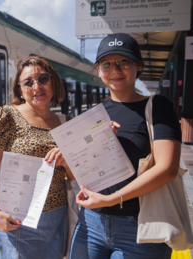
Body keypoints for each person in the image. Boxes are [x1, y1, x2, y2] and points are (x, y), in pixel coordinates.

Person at [69, 33, 182, 259]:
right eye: (107, 64)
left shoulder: (158, 107)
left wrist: (113, 198)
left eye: (124, 62)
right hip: (91, 224)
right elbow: (80, 173)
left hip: (141, 225)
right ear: (99, 70)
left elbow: (167, 168)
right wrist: (66, 160)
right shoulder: (91, 115)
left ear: (138, 66)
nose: (115, 70)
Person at [0, 55, 75, 259]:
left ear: (53, 82)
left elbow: (76, 176)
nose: (37, 87)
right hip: (18, 221)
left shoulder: (66, 122)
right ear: (20, 90)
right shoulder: (6, 117)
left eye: (43, 79)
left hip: (56, 221)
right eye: (28, 82)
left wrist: (67, 161)